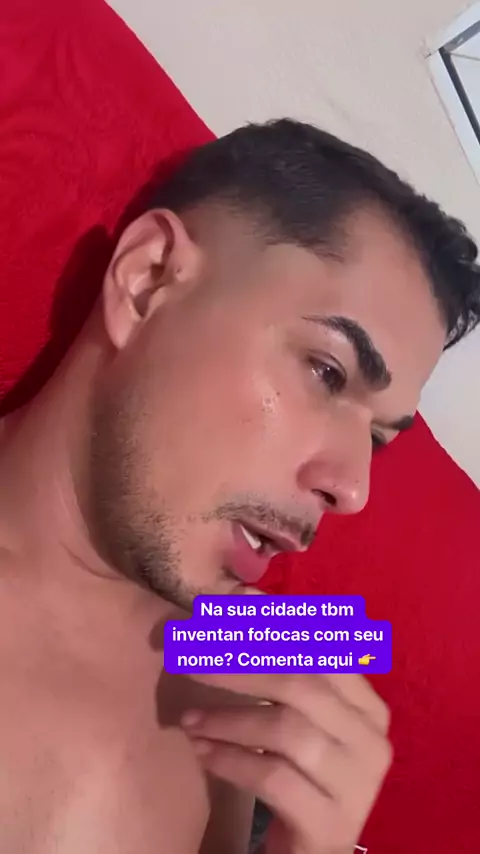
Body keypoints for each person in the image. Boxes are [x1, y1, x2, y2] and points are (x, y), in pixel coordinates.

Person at [0, 117, 479, 854]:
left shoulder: (253, 648)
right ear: (147, 280)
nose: (353, 490)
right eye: (327, 371)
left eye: (379, 440)